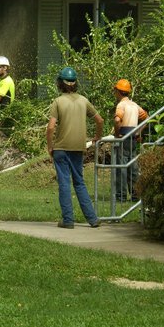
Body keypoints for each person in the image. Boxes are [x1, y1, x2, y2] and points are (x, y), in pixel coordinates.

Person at [46, 66, 103, 229]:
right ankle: (93, 219)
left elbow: (51, 127)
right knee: (79, 182)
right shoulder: (84, 100)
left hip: (61, 148)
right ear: (75, 83)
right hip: (78, 148)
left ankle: (68, 220)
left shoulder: (58, 101)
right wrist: (97, 137)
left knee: (64, 183)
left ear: (59, 83)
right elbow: (100, 120)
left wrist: (50, 146)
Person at [112, 79, 148, 203]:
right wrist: (138, 132)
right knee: (133, 167)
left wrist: (117, 134)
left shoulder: (121, 105)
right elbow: (146, 118)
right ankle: (135, 195)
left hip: (123, 137)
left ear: (118, 91)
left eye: (115, 90)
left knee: (121, 167)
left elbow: (117, 120)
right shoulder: (134, 105)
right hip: (133, 138)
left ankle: (121, 196)